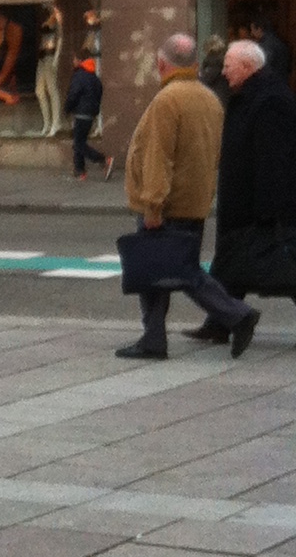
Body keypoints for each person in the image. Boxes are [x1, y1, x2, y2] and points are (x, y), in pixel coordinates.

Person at [117, 33, 257, 362]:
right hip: (194, 202)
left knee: (167, 272)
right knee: (174, 270)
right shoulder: (209, 99)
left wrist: (152, 206)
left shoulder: (167, 100)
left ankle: (236, 315)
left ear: (161, 63)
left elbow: (158, 156)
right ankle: (154, 337)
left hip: (168, 205)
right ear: (195, 64)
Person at [193, 41, 296, 346]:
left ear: (248, 67)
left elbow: (275, 158)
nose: (223, 72)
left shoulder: (271, 100)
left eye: (228, 66)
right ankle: (220, 322)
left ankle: (222, 321)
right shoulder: (250, 95)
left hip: (257, 204)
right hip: (243, 200)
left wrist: (269, 209)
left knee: (281, 269)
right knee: (231, 264)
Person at [67, 53, 110, 180]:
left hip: (81, 113)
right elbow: (99, 93)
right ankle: (80, 171)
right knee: (79, 141)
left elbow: (73, 94)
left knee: (78, 144)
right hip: (90, 115)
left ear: (80, 60)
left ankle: (103, 160)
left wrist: (67, 108)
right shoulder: (94, 77)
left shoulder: (79, 76)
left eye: (74, 59)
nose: (73, 62)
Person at [34, 4, 64, 139]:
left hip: (51, 57)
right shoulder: (47, 20)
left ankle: (55, 123)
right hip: (42, 57)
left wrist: (57, 58)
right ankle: (47, 123)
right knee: (39, 90)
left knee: (52, 89)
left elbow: (61, 38)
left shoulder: (57, 20)